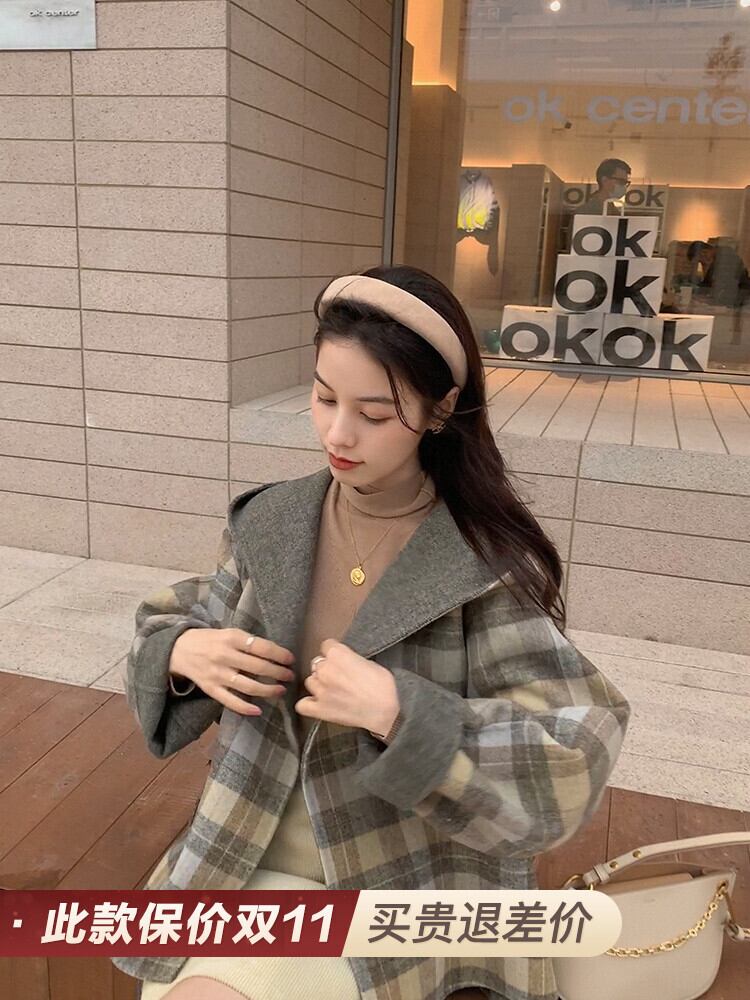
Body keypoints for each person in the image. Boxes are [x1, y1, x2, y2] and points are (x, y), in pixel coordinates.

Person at [111, 265, 631, 1000]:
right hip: (242, 853)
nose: (338, 433)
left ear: (440, 411)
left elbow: (573, 751)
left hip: (395, 884)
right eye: (324, 397)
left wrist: (401, 713)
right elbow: (174, 616)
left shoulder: (480, 563)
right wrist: (183, 652)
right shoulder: (273, 522)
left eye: (375, 413)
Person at [686, 239, 750, 309]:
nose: (704, 259)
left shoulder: (725, 256)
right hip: (730, 300)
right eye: (700, 261)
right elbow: (706, 285)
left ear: (708, 249)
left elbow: (726, 284)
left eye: (704, 253)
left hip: (739, 299)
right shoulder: (714, 260)